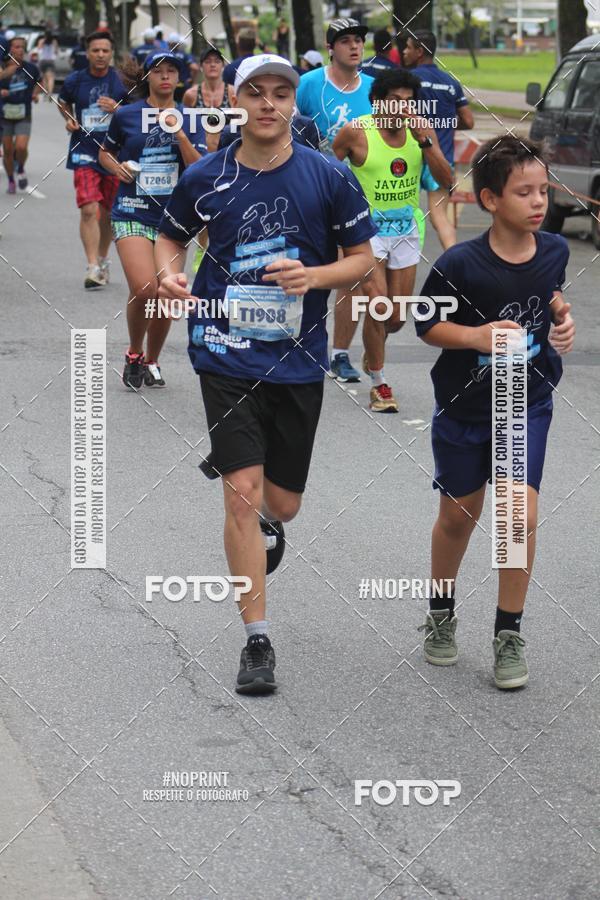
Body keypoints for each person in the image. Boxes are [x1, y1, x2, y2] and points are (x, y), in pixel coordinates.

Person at [155, 54, 377, 694]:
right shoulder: (206, 175)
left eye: (281, 92)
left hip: (297, 359)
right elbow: (171, 238)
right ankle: (257, 641)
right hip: (223, 349)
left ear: (292, 104)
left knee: (281, 504)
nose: (268, 103)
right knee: (242, 495)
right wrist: (170, 274)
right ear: (237, 102)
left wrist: (314, 275)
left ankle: (266, 516)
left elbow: (362, 260)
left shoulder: (328, 176)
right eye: (256, 92)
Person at [415, 135, 575, 689]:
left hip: (524, 403)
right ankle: (440, 612)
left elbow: (551, 294)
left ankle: (509, 633)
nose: (538, 202)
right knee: (458, 518)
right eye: (524, 192)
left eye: (543, 190)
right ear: (489, 199)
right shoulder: (460, 263)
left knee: (517, 518)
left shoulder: (555, 250)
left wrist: (562, 320)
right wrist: (475, 336)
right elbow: (426, 324)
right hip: (464, 406)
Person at [334, 68, 452, 412]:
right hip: (366, 234)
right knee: (378, 305)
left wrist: (426, 142)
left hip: (405, 233)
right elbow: (326, 172)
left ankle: (374, 353)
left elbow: (447, 180)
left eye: (408, 101)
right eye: (395, 100)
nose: (402, 107)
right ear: (377, 102)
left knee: (396, 318)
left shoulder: (422, 132)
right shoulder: (356, 132)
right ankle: (379, 383)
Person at [98, 50, 205, 389]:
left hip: (174, 219)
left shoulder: (191, 118)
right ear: (148, 77)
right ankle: (134, 352)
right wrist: (116, 167)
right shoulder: (127, 114)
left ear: (180, 78)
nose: (165, 76)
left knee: (167, 292)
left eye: (172, 70)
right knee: (145, 288)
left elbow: (199, 167)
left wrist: (180, 133)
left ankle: (152, 360)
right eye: (158, 71)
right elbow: (105, 152)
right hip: (132, 209)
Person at [296, 17, 373, 384]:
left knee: (351, 273)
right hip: (311, 189)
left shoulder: (372, 88)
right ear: (330, 47)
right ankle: (302, 342)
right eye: (345, 41)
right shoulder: (309, 84)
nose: (354, 46)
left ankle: (340, 353)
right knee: (310, 267)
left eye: (358, 40)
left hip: (358, 194)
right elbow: (289, 126)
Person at [58, 31, 129, 289]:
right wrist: (69, 119)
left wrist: (118, 109)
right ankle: (92, 266)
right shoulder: (75, 80)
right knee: (89, 208)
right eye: (95, 50)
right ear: (87, 53)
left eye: (105, 51)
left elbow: (139, 110)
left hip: (113, 154)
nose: (100, 55)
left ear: (111, 53)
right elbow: (63, 102)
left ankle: (102, 259)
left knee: (108, 213)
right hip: (84, 151)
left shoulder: (121, 81)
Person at [402, 30, 474, 249]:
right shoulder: (451, 82)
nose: (404, 52)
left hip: (410, 157)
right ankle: (454, 262)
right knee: (439, 216)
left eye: (408, 47)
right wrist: (444, 123)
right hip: (441, 158)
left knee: (401, 215)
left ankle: (400, 260)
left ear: (419, 52)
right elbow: (468, 121)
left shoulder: (407, 81)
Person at [0, 37, 41, 194]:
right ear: (9, 50)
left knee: (21, 147)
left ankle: (21, 168)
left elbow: (39, 83)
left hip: (24, 113)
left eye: (22, 47)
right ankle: (11, 179)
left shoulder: (31, 68)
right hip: (4, 115)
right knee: (8, 150)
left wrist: (35, 94)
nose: (20, 50)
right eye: (16, 47)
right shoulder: (3, 69)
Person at [183, 46, 227, 152]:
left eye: (217, 61)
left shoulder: (233, 93)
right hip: (200, 153)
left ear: (223, 65)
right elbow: (185, 127)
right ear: (201, 66)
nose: (212, 65)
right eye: (207, 61)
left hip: (227, 153)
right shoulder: (191, 94)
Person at [167, 32, 198, 101]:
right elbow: (195, 68)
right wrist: (193, 80)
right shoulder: (185, 55)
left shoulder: (164, 54)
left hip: (168, 85)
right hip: (183, 85)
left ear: (168, 43)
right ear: (178, 44)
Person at [36, 30, 58, 98]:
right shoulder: (54, 41)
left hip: (42, 61)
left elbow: (38, 49)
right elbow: (56, 51)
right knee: (51, 78)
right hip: (50, 61)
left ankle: (45, 93)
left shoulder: (41, 41)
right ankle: (50, 93)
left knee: (44, 78)